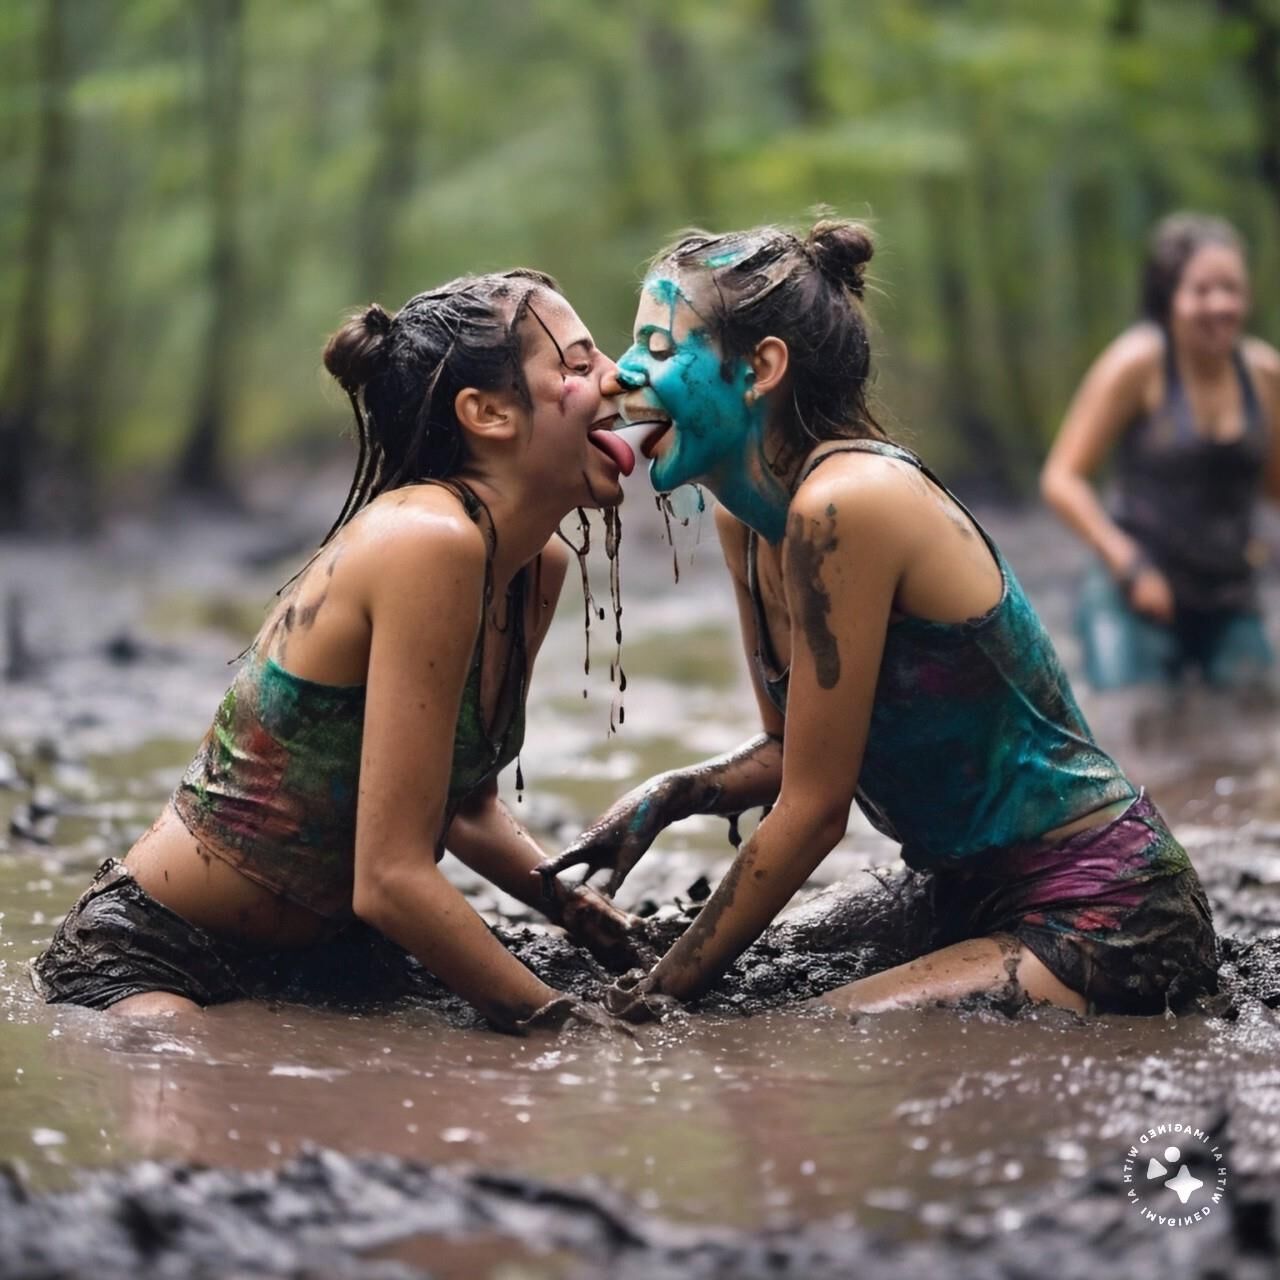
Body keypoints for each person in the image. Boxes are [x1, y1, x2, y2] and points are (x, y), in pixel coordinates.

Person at [541, 219, 1218, 1019]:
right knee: (760, 963)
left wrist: (658, 998)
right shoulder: (746, 521)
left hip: (1112, 909)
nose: (618, 377)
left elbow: (816, 811)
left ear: (761, 369)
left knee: (817, 1031)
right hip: (957, 892)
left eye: (657, 349)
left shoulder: (849, 504)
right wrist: (671, 793)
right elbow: (797, 751)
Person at [31, 270, 648, 1031]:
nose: (619, 377)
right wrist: (562, 1023)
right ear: (487, 413)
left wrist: (568, 901)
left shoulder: (533, 567)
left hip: (331, 962)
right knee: (181, 1050)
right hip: (154, 959)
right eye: (578, 365)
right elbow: (388, 881)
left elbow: (465, 810)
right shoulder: (429, 541)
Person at [1041, 212, 1280, 691]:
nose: (1219, 304)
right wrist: (1128, 564)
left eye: (1231, 289)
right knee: (1137, 730)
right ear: (1170, 297)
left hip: (1230, 595)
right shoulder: (1137, 363)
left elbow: (1276, 487)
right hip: (1136, 590)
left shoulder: (1264, 374)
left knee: (1256, 720)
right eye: (1202, 290)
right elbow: (1061, 479)